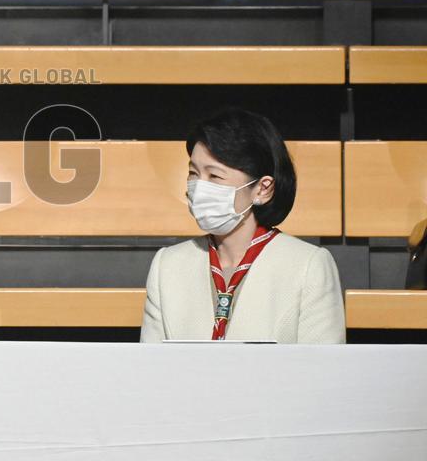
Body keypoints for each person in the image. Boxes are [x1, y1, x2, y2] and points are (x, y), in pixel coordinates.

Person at [140, 108, 345, 344]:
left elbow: (322, 371)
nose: (199, 187)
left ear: (262, 189)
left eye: (215, 176)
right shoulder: (167, 265)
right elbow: (152, 368)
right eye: (193, 173)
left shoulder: (309, 266)